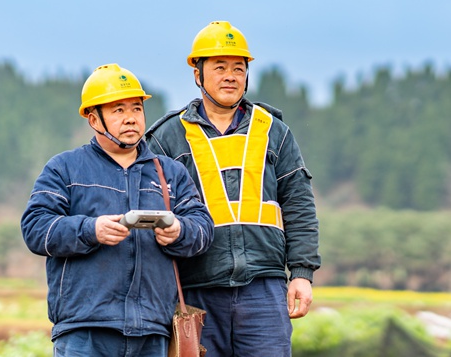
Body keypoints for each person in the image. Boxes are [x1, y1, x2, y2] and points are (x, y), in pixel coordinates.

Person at [146, 21, 320, 357]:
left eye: (238, 68)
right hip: (195, 290)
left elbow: (298, 204)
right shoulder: (167, 137)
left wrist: (302, 273)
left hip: (263, 288)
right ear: (197, 75)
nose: (230, 76)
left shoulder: (274, 131)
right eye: (220, 67)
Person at [21, 63, 214, 357]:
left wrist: (179, 231)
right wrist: (90, 230)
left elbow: (203, 227)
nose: (131, 118)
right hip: (85, 332)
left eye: (136, 108)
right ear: (93, 119)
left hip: (152, 331)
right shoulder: (64, 168)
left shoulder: (170, 173)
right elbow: (35, 229)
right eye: (118, 110)